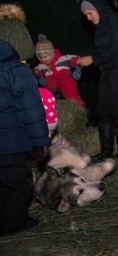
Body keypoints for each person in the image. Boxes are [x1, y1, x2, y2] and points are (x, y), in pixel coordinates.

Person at [0, 3, 51, 235]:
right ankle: (13, 224)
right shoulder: (17, 71)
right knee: (18, 183)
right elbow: (32, 112)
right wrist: (40, 143)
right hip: (11, 143)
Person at [77, 0, 118, 160]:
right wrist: (81, 58)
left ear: (98, 8)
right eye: (86, 15)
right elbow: (100, 51)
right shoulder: (100, 26)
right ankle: (106, 154)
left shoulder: (114, 19)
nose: (88, 18)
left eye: (90, 13)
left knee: (116, 108)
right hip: (107, 69)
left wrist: (92, 59)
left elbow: (115, 48)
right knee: (103, 109)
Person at [34, 34, 86, 109]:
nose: (43, 59)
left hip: (66, 81)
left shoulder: (62, 59)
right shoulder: (42, 66)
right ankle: (54, 99)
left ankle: (79, 110)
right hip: (52, 87)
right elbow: (37, 71)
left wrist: (78, 67)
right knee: (49, 85)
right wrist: (39, 78)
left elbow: (74, 59)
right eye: (41, 58)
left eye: (45, 56)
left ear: (51, 53)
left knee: (72, 95)